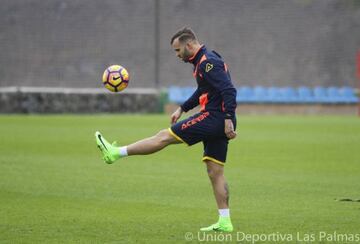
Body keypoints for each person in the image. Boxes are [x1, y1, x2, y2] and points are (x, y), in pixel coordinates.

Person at [95, 27, 237, 232]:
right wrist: (183, 108)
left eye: (178, 50)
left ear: (189, 45)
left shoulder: (207, 63)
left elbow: (229, 90)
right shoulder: (204, 60)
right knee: (215, 171)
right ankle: (225, 221)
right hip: (218, 120)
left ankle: (115, 153)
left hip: (214, 118)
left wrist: (227, 118)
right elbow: (204, 90)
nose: (177, 55)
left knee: (164, 137)